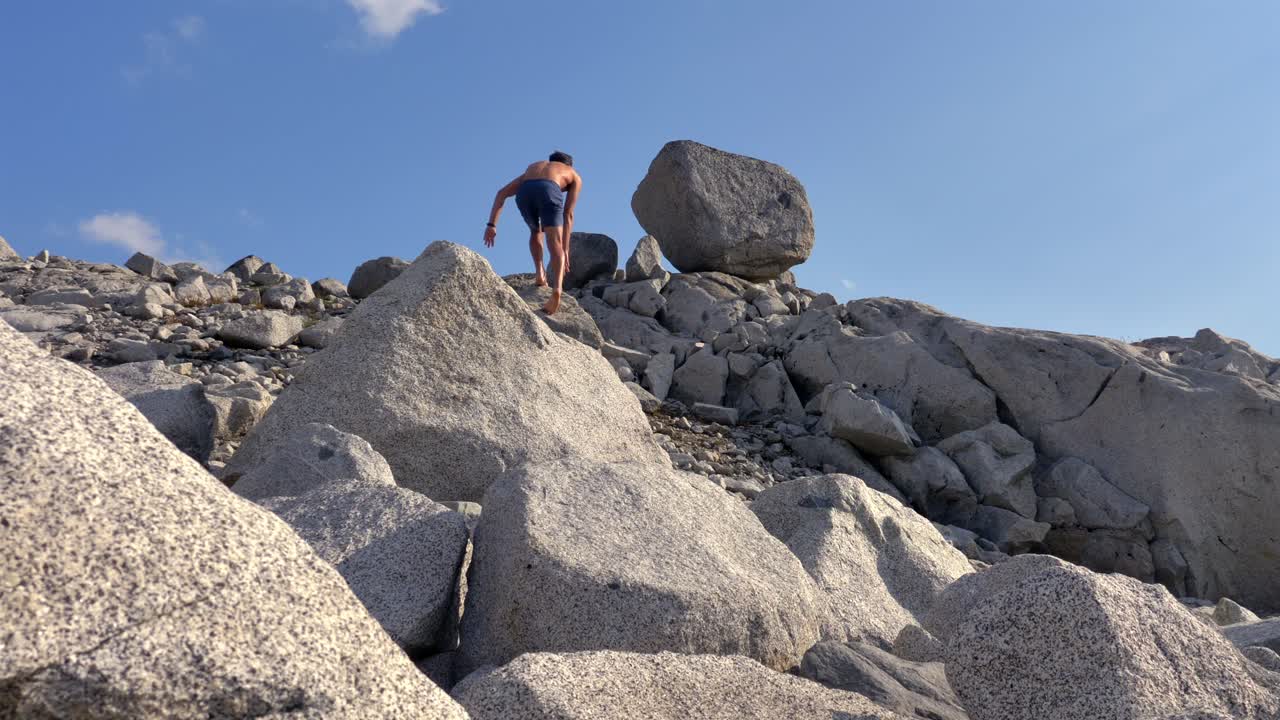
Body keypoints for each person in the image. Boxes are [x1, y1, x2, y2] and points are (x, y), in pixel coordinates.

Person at [484, 151, 582, 314]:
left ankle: (539, 274)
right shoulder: (573, 174)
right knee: (554, 243)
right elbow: (568, 214)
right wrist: (565, 248)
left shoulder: (534, 168)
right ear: (568, 165)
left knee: (536, 231)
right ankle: (557, 289)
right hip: (549, 190)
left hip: (525, 192)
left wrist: (492, 225)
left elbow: (501, 193)